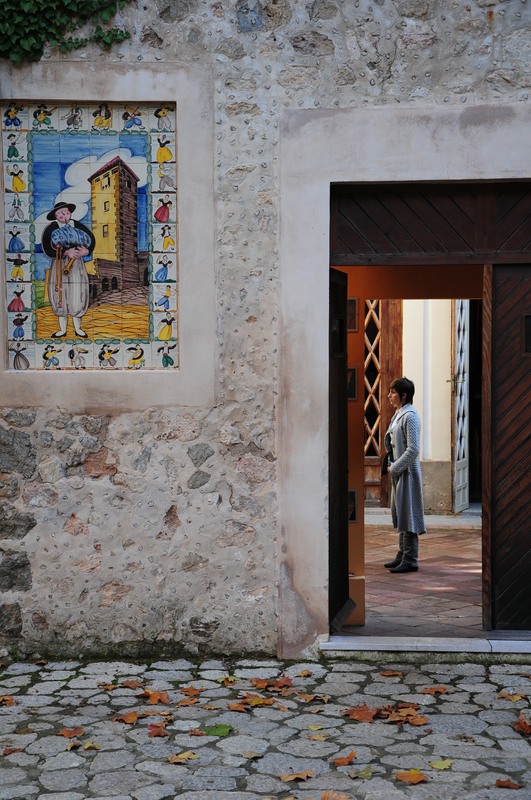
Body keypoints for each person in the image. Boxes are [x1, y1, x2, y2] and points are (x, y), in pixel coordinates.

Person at [383, 377, 426, 573]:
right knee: (401, 512)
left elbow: (414, 449)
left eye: (392, 392)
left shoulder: (410, 416)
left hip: (407, 473)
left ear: (403, 395)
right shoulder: (399, 414)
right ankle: (402, 554)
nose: (389, 395)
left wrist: (395, 467)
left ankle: (411, 558)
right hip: (399, 472)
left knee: (408, 514)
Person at [41, 201, 95, 339]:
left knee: (77, 292)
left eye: (65, 212)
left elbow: (91, 240)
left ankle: (78, 328)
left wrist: (85, 250)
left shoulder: (77, 226)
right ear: (55, 216)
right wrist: (66, 252)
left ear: (70, 213)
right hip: (59, 265)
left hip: (76, 264)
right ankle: (62, 329)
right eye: (59, 213)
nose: (63, 215)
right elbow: (47, 249)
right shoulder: (51, 229)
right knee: (60, 293)